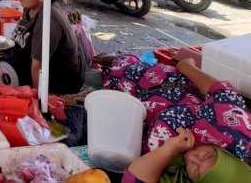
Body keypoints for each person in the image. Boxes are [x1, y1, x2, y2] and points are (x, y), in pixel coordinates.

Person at [97, 53, 251, 161]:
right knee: (118, 69)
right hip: (156, 81)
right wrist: (189, 63)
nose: (193, 158)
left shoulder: (233, 107)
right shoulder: (232, 110)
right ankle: (116, 61)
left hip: (141, 107)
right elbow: (185, 65)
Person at [10, 0, 85, 95]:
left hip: (60, 82)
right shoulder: (31, 7)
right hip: (34, 64)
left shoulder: (47, 19)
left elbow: (37, 67)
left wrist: (34, 98)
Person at [124, 128, 251, 183]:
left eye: (196, 171)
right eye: (205, 156)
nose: (191, 157)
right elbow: (219, 89)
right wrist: (184, 70)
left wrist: (168, 151)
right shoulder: (231, 135)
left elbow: (133, 179)